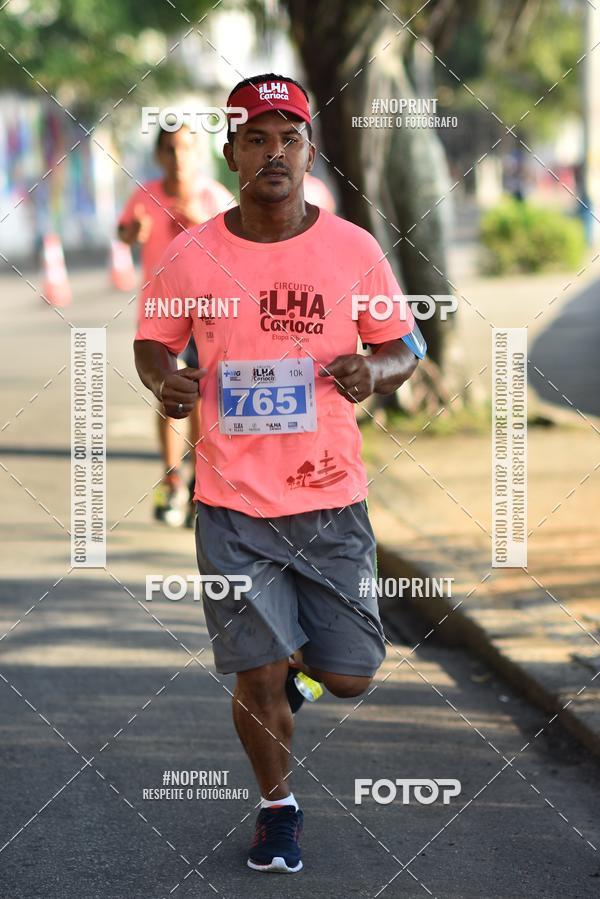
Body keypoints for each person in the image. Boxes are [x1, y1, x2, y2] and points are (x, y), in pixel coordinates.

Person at [134, 74, 425, 874]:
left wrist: (377, 369)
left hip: (331, 499)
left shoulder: (352, 249)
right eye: (256, 138)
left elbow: (407, 344)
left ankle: (303, 672)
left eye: (288, 137)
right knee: (256, 673)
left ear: (310, 151)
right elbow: (153, 341)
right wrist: (164, 378)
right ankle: (277, 808)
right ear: (230, 152)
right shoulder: (191, 253)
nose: (273, 152)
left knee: (352, 674)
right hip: (231, 502)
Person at [118, 124, 235, 526]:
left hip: (209, 313)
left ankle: (203, 483)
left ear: (198, 153)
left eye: (186, 148)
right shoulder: (145, 195)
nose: (178, 157)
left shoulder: (214, 197)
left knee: (205, 397)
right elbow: (125, 230)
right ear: (159, 155)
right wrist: (133, 233)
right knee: (170, 395)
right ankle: (172, 483)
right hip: (162, 313)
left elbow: (238, 245)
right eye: (170, 149)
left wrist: (203, 222)